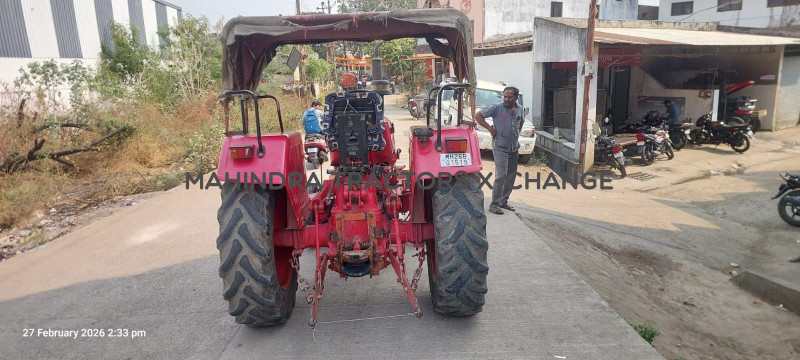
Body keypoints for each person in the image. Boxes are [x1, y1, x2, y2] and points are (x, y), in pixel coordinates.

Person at [472, 86, 523, 215]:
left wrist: (516, 135)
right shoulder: (496, 108)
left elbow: (520, 123)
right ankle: (494, 204)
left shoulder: (519, 110)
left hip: (514, 148)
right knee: (501, 176)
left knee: (511, 176)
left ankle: (503, 201)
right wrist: (490, 129)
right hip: (500, 148)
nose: (506, 99)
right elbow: (478, 116)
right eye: (505, 96)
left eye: (510, 97)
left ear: (516, 97)